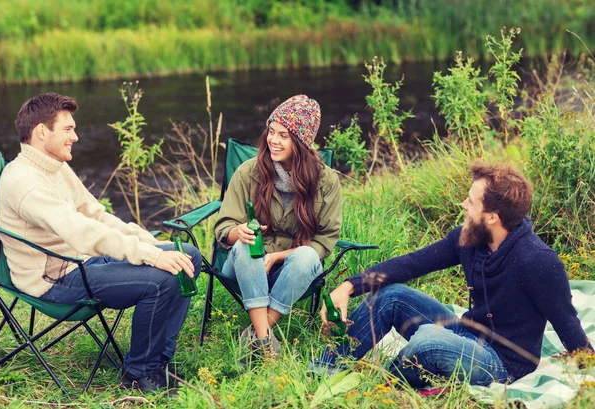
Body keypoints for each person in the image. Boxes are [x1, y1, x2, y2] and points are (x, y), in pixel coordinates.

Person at [314, 162, 593, 387]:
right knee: (391, 297)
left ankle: (383, 386)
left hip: (502, 363)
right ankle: (323, 371)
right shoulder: (468, 238)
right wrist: (350, 285)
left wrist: (589, 370)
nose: (463, 205)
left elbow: (567, 324)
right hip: (464, 332)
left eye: (471, 202)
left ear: (492, 217)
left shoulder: (539, 261)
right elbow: (412, 264)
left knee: (428, 342)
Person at [0, 93, 202, 392]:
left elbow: (95, 214)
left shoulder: (54, 166)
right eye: (67, 129)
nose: (76, 137)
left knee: (188, 256)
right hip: (55, 280)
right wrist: (149, 257)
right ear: (42, 132)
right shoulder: (23, 183)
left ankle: (158, 361)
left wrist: (147, 243)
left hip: (81, 263)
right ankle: (138, 374)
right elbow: (81, 231)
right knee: (160, 280)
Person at [214, 94, 342, 357]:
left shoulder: (326, 181)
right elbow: (224, 226)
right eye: (271, 131)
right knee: (247, 247)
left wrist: (277, 256)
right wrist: (237, 232)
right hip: (244, 265)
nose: (273, 140)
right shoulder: (249, 172)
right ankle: (265, 344)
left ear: (300, 141)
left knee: (307, 255)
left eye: (283, 135)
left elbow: (324, 241)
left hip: (292, 268)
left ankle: (257, 334)